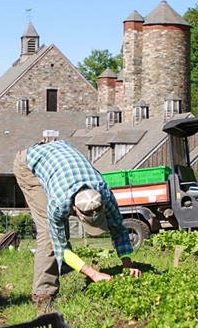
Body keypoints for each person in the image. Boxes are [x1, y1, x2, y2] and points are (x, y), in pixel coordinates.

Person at [13, 133, 142, 314]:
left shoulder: (104, 194)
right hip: (29, 165)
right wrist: (94, 274)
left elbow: (119, 229)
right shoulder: (59, 204)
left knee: (57, 236)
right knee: (49, 235)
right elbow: (61, 248)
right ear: (74, 208)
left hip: (59, 158)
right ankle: (43, 296)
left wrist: (128, 266)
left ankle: (63, 272)